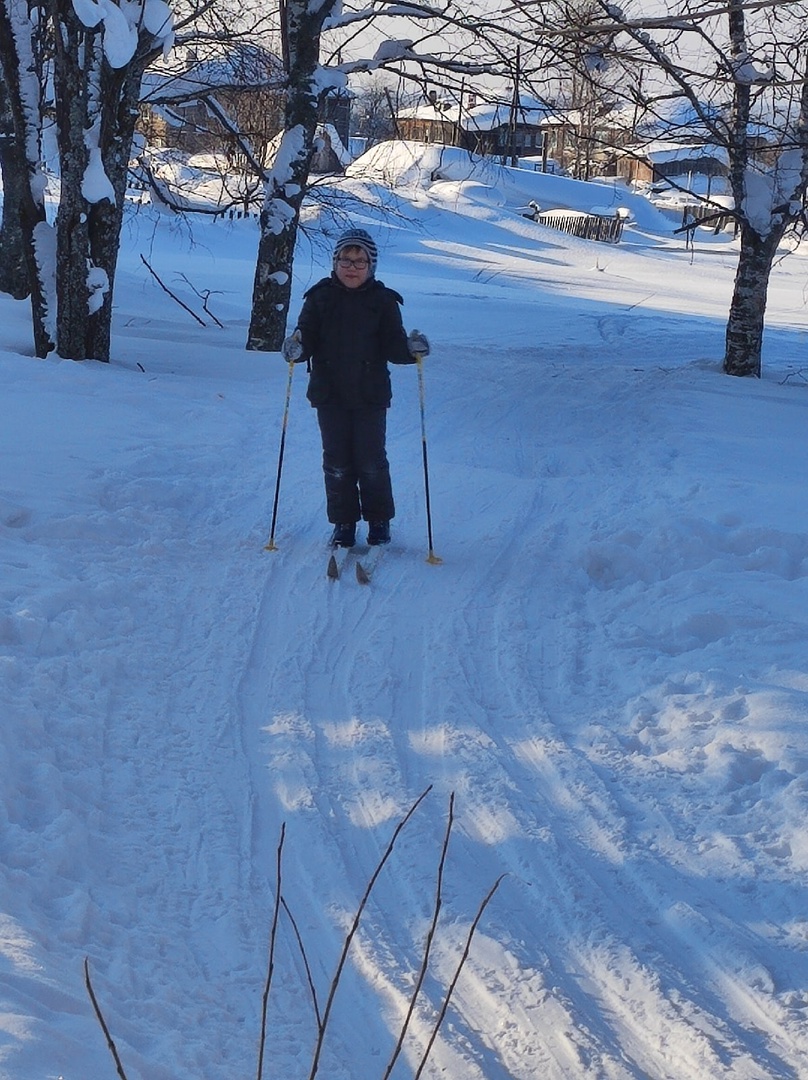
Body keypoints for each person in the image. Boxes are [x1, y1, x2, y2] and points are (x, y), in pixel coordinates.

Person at [282, 227, 430, 548]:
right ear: (335, 262)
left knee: (371, 460)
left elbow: (393, 346)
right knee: (336, 461)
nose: (351, 267)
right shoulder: (320, 297)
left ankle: (379, 521)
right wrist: (295, 347)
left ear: (371, 266)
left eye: (359, 261)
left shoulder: (383, 301)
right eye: (345, 259)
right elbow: (304, 336)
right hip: (329, 394)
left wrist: (411, 349)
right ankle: (343, 523)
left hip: (370, 395)